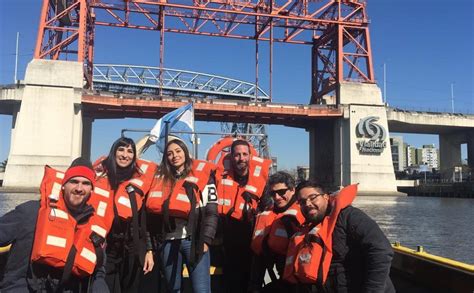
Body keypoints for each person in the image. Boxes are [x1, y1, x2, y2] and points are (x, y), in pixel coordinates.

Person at [0, 158, 108, 292]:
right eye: (74, 182)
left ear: (91, 190)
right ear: (63, 185)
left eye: (85, 183)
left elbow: (99, 273)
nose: (79, 188)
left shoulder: (95, 229)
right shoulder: (30, 212)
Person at [284, 180, 395, 293]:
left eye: (313, 197)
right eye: (302, 202)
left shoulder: (349, 216)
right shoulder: (307, 228)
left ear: (326, 197)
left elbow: (381, 250)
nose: (307, 204)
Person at [147, 138, 218, 292]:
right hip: (168, 242)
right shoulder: (158, 179)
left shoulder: (203, 176)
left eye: (178, 151)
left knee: (202, 290)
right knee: (173, 289)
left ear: (185, 153)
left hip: (194, 241)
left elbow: (212, 212)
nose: (174, 156)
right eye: (170, 153)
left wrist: (206, 240)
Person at [92, 137, 157, 293]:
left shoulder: (141, 182)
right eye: (121, 149)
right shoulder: (99, 178)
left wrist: (149, 250)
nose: (125, 155)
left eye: (130, 151)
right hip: (106, 247)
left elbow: (144, 220)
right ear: (113, 152)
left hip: (132, 247)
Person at [213, 139, 271, 292]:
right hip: (227, 241)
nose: (241, 158)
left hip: (251, 241)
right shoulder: (219, 178)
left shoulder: (262, 182)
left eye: (245, 154)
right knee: (230, 283)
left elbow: (268, 210)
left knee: (252, 284)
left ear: (250, 156)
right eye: (237, 155)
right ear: (231, 157)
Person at [249, 171, 305, 293]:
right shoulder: (269, 214)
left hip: (301, 282)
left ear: (292, 190)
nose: (277, 197)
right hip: (281, 278)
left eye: (281, 192)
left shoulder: (305, 211)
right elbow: (259, 256)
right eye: (273, 193)